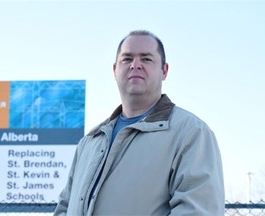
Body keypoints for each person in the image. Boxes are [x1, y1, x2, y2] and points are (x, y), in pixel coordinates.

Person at [54, 30, 225, 216]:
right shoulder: (89, 142)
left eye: (146, 59)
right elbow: (64, 207)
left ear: (164, 70)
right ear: (114, 70)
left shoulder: (190, 133)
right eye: (127, 59)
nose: (135, 65)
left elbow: (197, 211)